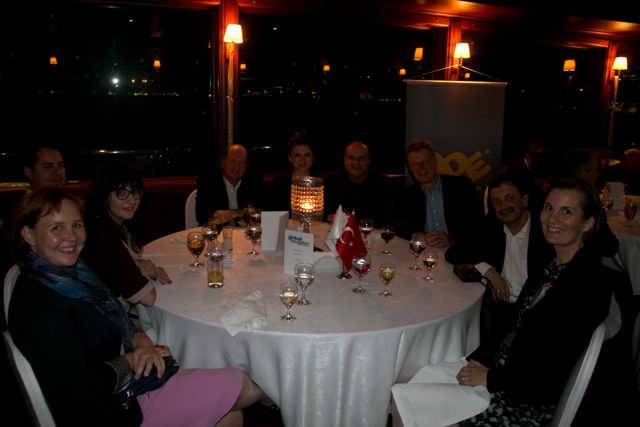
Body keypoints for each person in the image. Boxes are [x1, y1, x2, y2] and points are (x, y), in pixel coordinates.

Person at [7, 188, 269, 426]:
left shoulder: (72, 276)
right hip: (116, 407)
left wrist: (140, 340)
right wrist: (131, 360)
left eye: (77, 225)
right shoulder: (37, 305)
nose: (71, 237)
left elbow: (113, 320)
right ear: (29, 234)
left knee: (231, 416)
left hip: (134, 379)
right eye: (56, 228)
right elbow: (78, 388)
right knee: (248, 386)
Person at [453, 178, 622, 425]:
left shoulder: (587, 285)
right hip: (504, 377)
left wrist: (490, 378)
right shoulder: (552, 266)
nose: (552, 219)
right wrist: (479, 360)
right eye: (549, 208)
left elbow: (551, 370)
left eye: (567, 212)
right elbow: (513, 325)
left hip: (522, 403)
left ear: (587, 223)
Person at [446, 170, 555, 351]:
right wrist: (489, 271)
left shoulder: (545, 232)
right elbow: (453, 253)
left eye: (509, 198)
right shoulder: (492, 226)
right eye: (496, 201)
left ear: (525, 200)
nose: (503, 206)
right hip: (500, 310)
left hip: (535, 312)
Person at [82, 159, 170, 313]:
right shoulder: (102, 239)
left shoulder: (115, 227)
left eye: (135, 192)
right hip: (107, 319)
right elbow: (148, 298)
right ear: (103, 194)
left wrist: (139, 267)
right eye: (122, 193)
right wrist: (140, 271)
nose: (132, 200)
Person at [394, 140, 484, 246]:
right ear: (409, 169)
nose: (421, 168)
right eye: (415, 164)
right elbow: (398, 223)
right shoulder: (407, 194)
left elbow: (478, 224)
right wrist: (416, 234)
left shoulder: (462, 186)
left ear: (435, 163)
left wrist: (451, 240)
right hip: (425, 249)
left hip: (457, 249)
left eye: (425, 162)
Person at [323, 140, 393, 226]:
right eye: (351, 158)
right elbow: (324, 213)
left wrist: (349, 219)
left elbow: (387, 218)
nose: (356, 163)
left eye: (361, 158)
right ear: (345, 161)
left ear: (368, 161)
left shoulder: (384, 185)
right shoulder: (332, 183)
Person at [195, 144, 264, 225]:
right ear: (222, 162)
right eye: (232, 161)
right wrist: (238, 213)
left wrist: (231, 214)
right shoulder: (208, 180)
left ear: (246, 166)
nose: (236, 167)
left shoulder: (254, 179)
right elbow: (202, 216)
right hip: (218, 231)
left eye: (242, 163)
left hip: (246, 231)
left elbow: (262, 212)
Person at [267, 129, 316, 212]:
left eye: (307, 155)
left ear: (313, 157)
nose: (302, 160)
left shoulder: (322, 183)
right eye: (297, 155)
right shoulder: (278, 185)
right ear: (290, 158)